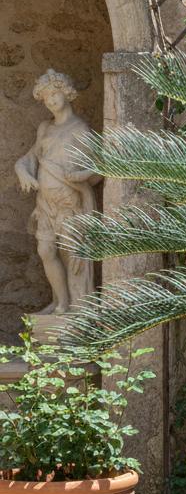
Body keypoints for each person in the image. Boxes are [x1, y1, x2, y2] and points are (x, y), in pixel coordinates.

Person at [14, 70, 100, 315]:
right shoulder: (44, 128)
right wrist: (22, 171)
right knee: (45, 250)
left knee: (71, 256)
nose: (50, 100)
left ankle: (74, 307)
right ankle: (60, 302)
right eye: (45, 97)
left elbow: (99, 169)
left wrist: (82, 177)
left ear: (67, 92)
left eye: (54, 93)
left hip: (69, 202)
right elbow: (29, 158)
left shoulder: (80, 129)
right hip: (45, 203)